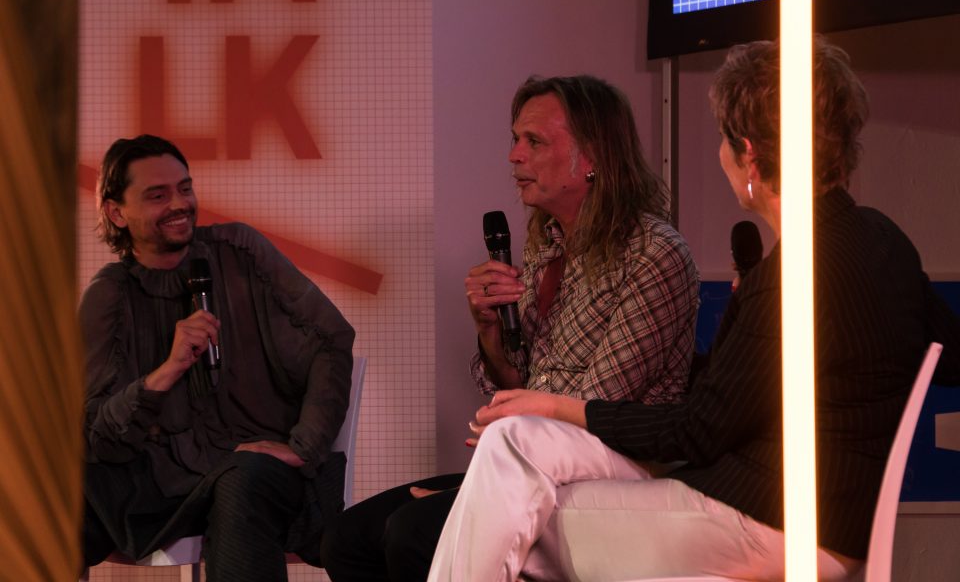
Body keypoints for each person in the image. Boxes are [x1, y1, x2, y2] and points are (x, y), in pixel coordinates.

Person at [426, 38, 960, 581]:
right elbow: (946, 357)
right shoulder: (881, 240)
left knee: (511, 486)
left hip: (762, 520)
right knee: (511, 462)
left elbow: (699, 431)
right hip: (827, 523)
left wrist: (555, 406)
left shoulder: (790, 274)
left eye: (724, 139)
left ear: (749, 153)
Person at [320, 75, 700, 581]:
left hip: (612, 471)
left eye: (534, 141)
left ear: (591, 156)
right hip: (530, 459)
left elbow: (595, 407)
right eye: (516, 139)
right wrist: (490, 332)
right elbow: (520, 382)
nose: (514, 156)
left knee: (411, 532)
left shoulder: (655, 253)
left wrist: (478, 483)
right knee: (345, 539)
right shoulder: (549, 244)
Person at [80, 135, 355, 582]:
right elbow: (97, 436)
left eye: (185, 188)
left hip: (255, 474)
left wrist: (303, 446)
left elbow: (331, 339)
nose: (179, 204)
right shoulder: (109, 295)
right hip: (159, 487)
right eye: (158, 195)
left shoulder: (239, 251)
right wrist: (165, 372)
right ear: (116, 212)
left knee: (241, 481)